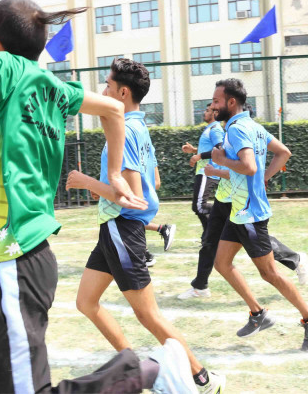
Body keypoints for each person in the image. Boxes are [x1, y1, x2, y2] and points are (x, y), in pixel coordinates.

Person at [0, 0, 196, 393]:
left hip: (19, 261)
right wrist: (114, 173)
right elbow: (114, 111)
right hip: (7, 261)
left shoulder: (4, 67)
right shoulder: (53, 87)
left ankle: (145, 370)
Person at [66, 58, 225, 394]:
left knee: (149, 315)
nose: (103, 91)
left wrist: (85, 182)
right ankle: (135, 369)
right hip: (114, 228)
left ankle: (202, 379)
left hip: (121, 228)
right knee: (86, 302)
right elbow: (154, 182)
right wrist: (108, 188)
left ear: (122, 93)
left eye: (108, 85)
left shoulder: (123, 131)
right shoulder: (138, 127)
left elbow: (133, 197)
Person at [210, 78, 308, 351]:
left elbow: (249, 166)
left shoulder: (237, 129)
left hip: (249, 214)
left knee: (270, 274)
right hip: (239, 211)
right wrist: (265, 178)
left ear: (231, 102)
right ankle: (258, 313)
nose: (213, 106)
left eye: (216, 101)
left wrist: (221, 161)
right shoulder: (253, 126)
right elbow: (283, 153)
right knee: (222, 263)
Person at [177, 109, 308, 300]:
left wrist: (214, 169)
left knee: (255, 245)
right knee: (209, 242)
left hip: (237, 200)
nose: (213, 109)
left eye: (216, 104)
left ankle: (295, 260)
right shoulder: (230, 131)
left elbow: (242, 170)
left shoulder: (234, 132)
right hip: (223, 198)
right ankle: (200, 286)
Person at [181, 106, 223, 243]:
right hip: (203, 172)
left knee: (199, 206)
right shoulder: (209, 129)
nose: (204, 113)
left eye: (207, 111)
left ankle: (224, 212)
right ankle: (208, 237)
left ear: (215, 113)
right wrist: (194, 150)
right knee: (198, 207)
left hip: (208, 172)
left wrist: (199, 156)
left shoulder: (215, 129)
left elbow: (219, 149)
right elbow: (209, 148)